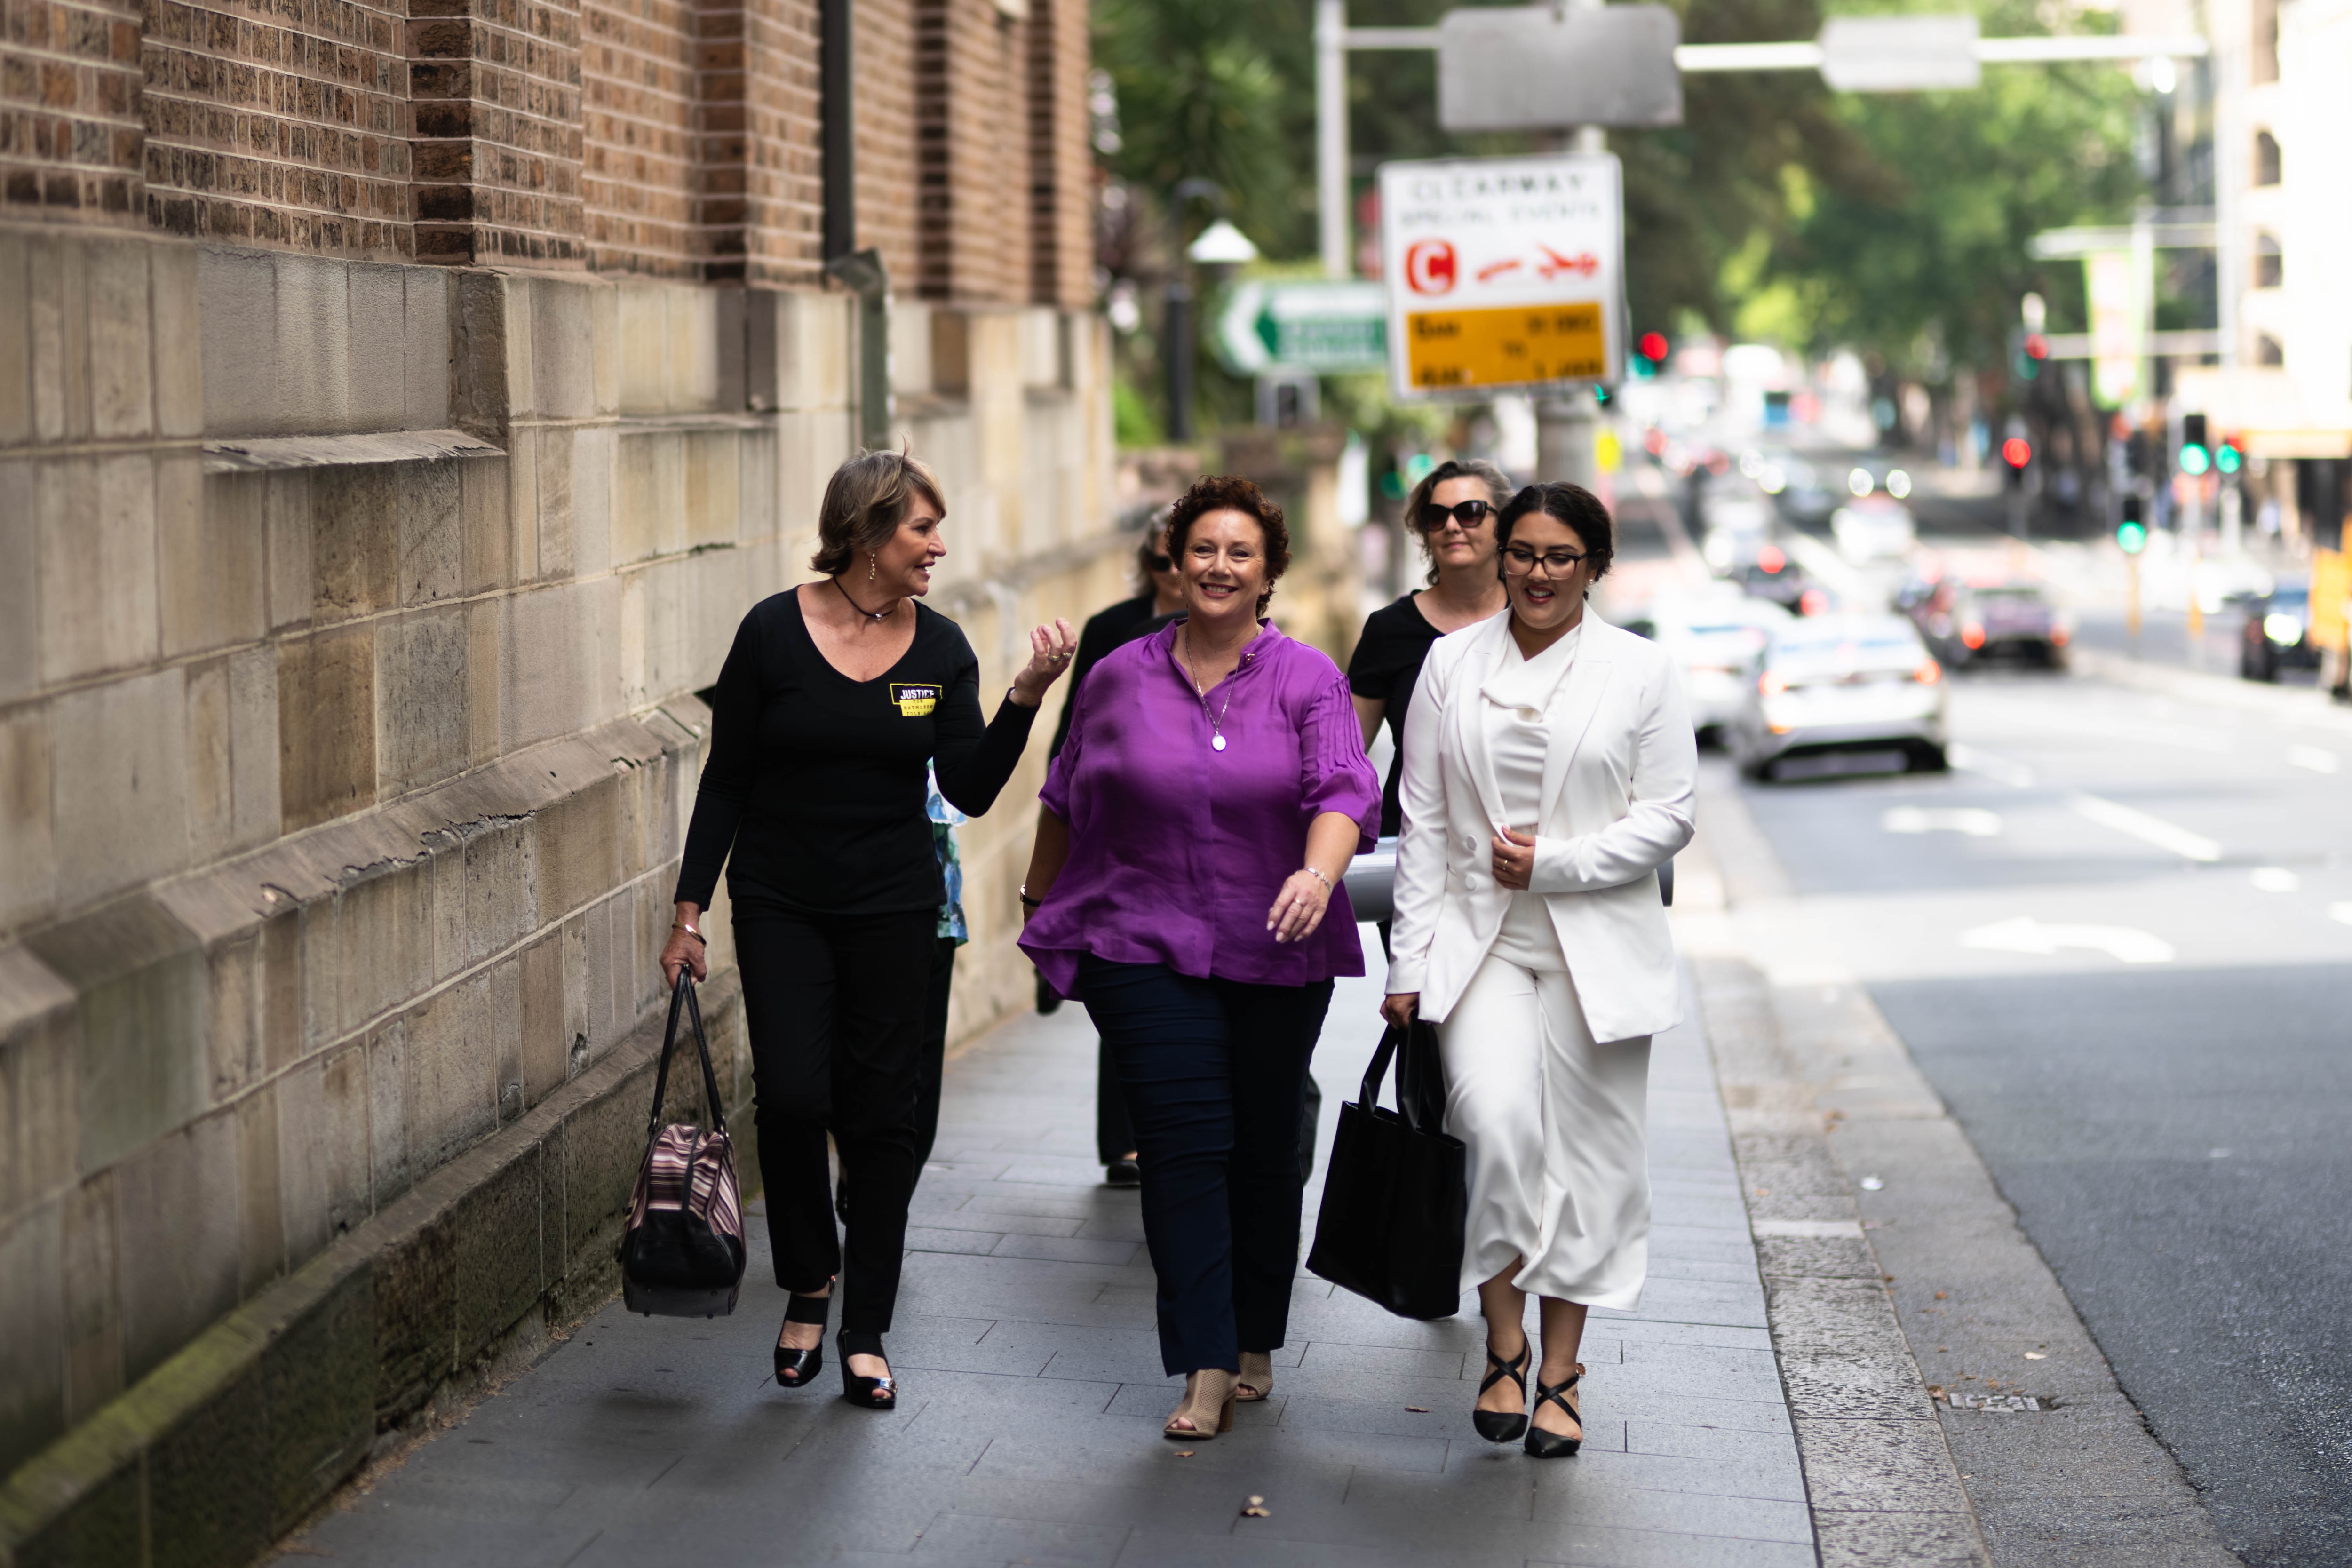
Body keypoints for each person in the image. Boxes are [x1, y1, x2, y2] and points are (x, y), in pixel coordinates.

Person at [658, 449, 1075, 1413]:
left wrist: (1022, 699)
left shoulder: (942, 651)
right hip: (781, 900)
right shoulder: (770, 633)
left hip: (893, 905)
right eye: (920, 529)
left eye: (937, 528)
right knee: (797, 1096)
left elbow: (967, 787)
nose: (938, 545)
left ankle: (863, 1327)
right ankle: (809, 1275)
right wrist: (691, 910)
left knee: (884, 1116)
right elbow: (727, 778)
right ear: (865, 534)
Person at [1017, 475, 1380, 1438]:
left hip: (1276, 941)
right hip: (1140, 941)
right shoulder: (1118, 674)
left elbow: (1345, 790)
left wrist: (1314, 875)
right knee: (1183, 1148)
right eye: (1203, 549)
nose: (1219, 566)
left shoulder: (1307, 677)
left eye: (1240, 553)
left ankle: (1256, 1329)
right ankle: (1206, 1363)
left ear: (1268, 574)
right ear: (1174, 563)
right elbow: (1065, 795)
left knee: (1263, 1148)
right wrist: (1034, 903)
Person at [1380, 481, 1695, 1459]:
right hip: (1483, 945)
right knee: (1495, 1123)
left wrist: (1555, 862)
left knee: (1593, 1166)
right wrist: (1407, 962)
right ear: (1498, 557)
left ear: (1594, 566)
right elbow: (1423, 825)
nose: (1538, 572)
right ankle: (1502, 1340)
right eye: (1522, 551)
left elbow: (1670, 813)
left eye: (1561, 556)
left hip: (1598, 946)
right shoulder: (1447, 663)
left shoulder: (1640, 671)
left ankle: (1559, 1372)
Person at [1042, 527, 1187, 1185]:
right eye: (1163, 561)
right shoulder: (1115, 628)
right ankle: (1125, 1142)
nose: (1177, 574)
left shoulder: (1240, 631)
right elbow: (1077, 724)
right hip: (1121, 827)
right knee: (1122, 976)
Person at [1347, 459, 1512, 952]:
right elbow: (1344, 757)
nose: (1452, 526)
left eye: (1471, 511)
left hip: (1521, 851)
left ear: (1503, 522)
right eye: (1436, 517)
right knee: (1425, 1013)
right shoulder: (1388, 630)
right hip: (1417, 854)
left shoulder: (1537, 618)